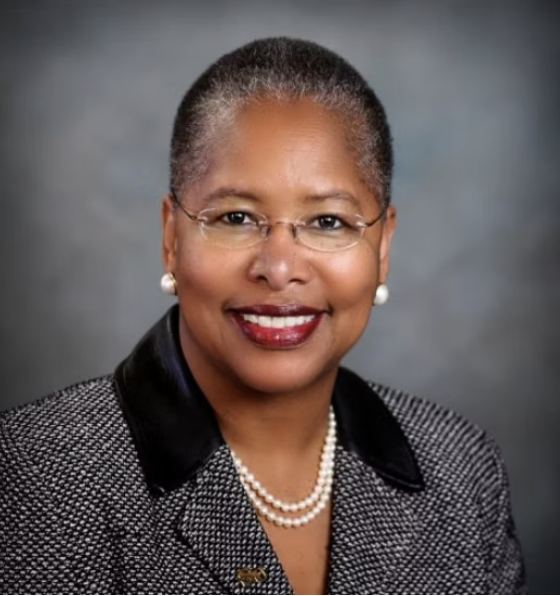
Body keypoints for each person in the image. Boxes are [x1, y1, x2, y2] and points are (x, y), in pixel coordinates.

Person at [0, 37, 527, 595]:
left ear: (383, 248)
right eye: (235, 216)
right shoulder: (35, 475)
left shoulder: (462, 472)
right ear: (171, 238)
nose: (278, 269)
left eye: (328, 222)